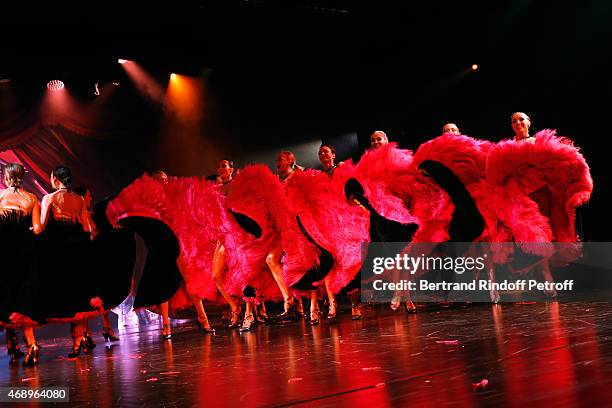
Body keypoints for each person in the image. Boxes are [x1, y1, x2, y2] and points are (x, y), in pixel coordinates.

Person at [0, 163, 41, 365]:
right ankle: (31, 343)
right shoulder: (32, 198)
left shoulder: (0, 197)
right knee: (22, 297)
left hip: (4, 251)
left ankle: (12, 341)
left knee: (6, 294)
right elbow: (38, 229)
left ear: (6, 179)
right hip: (24, 251)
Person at [74, 186, 119, 345]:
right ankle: (88, 333)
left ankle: (98, 330)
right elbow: (93, 232)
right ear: (81, 197)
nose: (90, 198)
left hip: (94, 257)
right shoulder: (81, 213)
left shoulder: (87, 212)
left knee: (99, 294)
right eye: (88, 196)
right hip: (87, 257)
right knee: (89, 295)